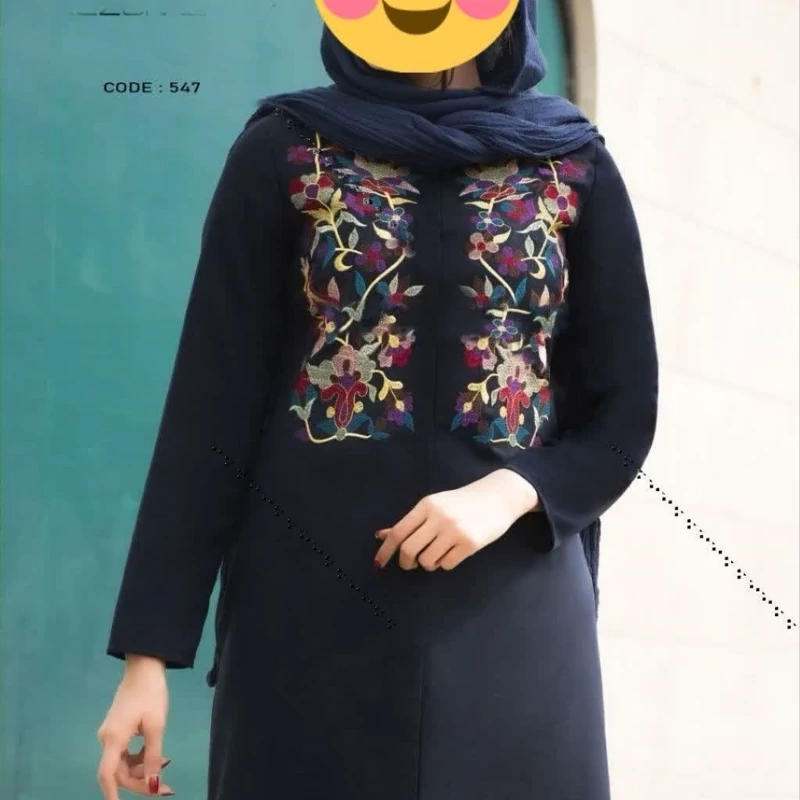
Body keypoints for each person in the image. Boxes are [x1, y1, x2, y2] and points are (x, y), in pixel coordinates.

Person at [97, 2, 658, 798]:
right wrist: (147, 658)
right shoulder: (285, 150)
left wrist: (510, 493)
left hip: (513, 626)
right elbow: (208, 415)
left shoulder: (573, 166)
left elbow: (622, 415)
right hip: (307, 621)